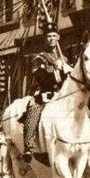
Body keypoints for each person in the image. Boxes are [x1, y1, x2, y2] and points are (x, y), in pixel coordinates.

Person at [22, 21, 73, 159]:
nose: (51, 39)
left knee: (85, 111)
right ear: (45, 39)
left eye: (53, 36)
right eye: (48, 36)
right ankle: (29, 147)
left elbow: (71, 82)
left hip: (63, 96)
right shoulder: (39, 58)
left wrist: (69, 71)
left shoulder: (65, 59)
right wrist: (58, 71)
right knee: (33, 111)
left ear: (58, 37)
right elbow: (41, 78)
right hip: (46, 95)